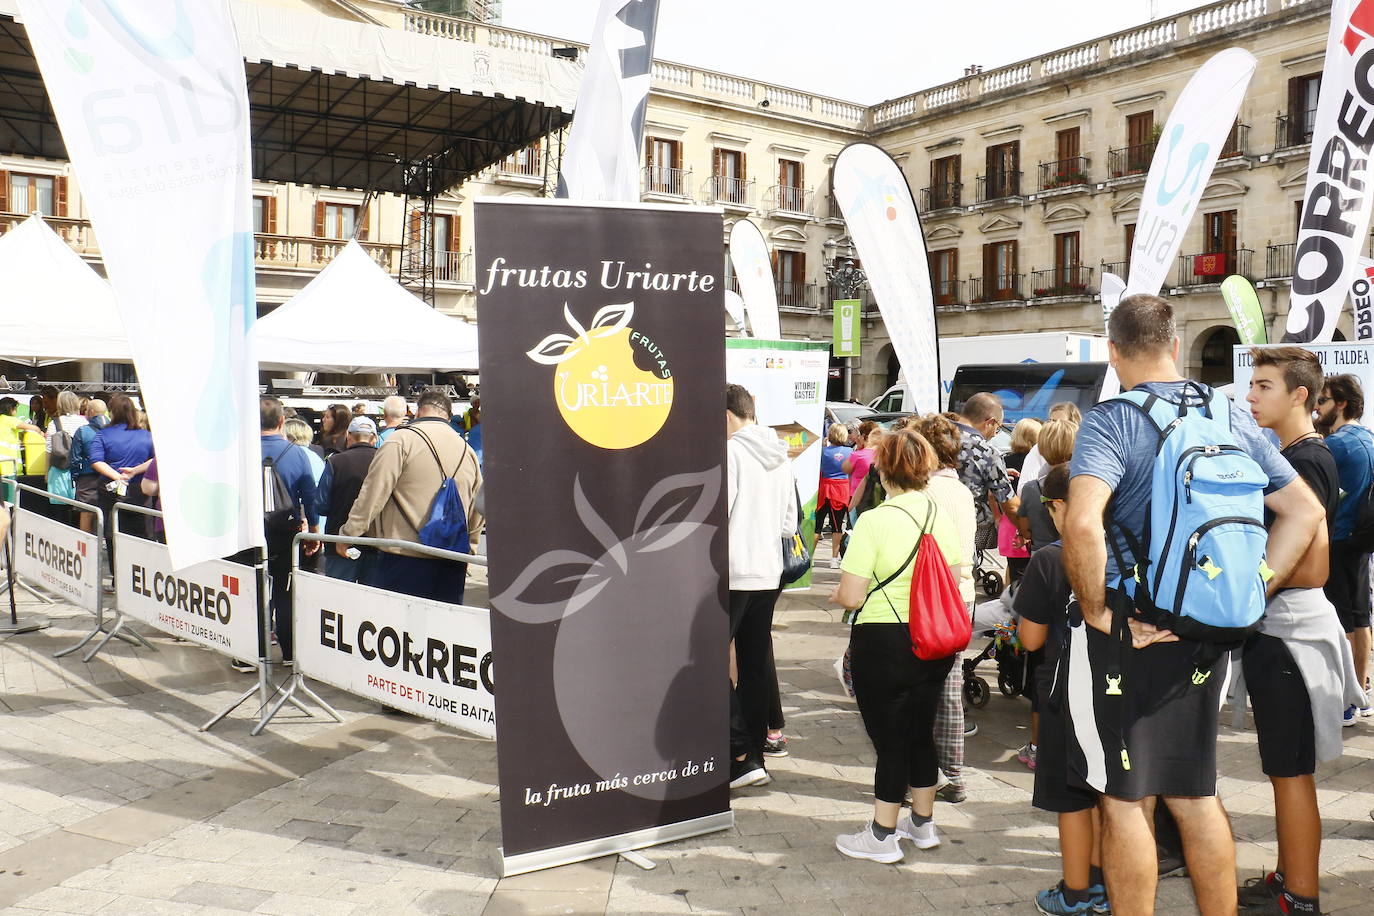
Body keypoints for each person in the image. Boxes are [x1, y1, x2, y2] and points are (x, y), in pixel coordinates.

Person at [1061, 294, 1321, 916]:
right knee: (1195, 793)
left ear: (1115, 351)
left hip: (1135, 633)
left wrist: (1098, 611)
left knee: (1126, 800)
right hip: (1208, 628)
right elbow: (1304, 511)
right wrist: (1254, 587)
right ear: (1175, 346)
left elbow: (1083, 524)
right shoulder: (1228, 413)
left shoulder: (1111, 420)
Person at [1240, 348, 1367, 916]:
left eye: (1264, 385)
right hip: (1282, 629)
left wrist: (1249, 592)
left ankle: (1300, 896)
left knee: (1290, 773)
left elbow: (1311, 563)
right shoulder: (1293, 453)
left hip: (1288, 630)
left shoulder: (1307, 459)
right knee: (1285, 770)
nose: (1250, 396)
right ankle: (1291, 876)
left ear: (1300, 396)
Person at [830, 428, 964, 862]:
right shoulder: (939, 515)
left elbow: (851, 595)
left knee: (890, 741)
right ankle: (922, 825)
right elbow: (956, 576)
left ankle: (882, 834)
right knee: (919, 731)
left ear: (883, 473)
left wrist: (837, 596)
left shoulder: (874, 521)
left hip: (884, 640)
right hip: (935, 639)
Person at [1015, 463, 1109, 916]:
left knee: (1072, 798)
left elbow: (1030, 639)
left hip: (1066, 694)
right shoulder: (1129, 550)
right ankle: (1103, 883)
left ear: (1056, 507)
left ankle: (1076, 894)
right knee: (1111, 795)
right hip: (1121, 693)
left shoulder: (1049, 559)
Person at [340, 389, 482, 602]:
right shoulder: (467, 450)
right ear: (449, 414)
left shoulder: (401, 441)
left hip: (403, 554)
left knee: (397, 627)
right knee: (441, 630)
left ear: (417, 411)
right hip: (452, 558)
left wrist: (349, 533)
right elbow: (478, 507)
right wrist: (470, 547)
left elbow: (373, 492)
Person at [723, 384, 796, 789]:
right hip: (768, 572)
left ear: (726, 415)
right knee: (753, 664)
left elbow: (719, 514)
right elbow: (789, 525)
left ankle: (740, 752)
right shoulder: (780, 455)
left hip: (732, 572)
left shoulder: (732, 452)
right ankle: (750, 759)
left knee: (704, 660)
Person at [912, 414, 977, 805]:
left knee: (918, 689)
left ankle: (921, 774)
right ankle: (953, 775)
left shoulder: (923, 494)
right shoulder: (963, 492)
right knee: (949, 690)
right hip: (962, 597)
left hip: (928, 599)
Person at [1314, 373, 1374, 722]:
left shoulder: (1336, 445)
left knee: (1343, 622)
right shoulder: (1367, 438)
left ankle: (1349, 699)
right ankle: (1361, 692)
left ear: (1342, 404)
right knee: (1359, 617)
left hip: (1339, 540)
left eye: (1323, 401)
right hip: (1361, 540)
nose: (1317, 408)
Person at [259, 396, 321, 667]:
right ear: (282, 421)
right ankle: (288, 651)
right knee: (285, 591)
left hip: (249, 532)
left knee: (250, 588)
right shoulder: (297, 453)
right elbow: (310, 498)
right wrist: (314, 532)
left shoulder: (239, 451)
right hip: (286, 531)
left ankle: (249, 654)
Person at [89, 394, 154, 571]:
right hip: (140, 491)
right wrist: (134, 471)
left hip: (110, 492)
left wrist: (117, 476)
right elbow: (157, 459)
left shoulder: (102, 434)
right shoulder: (146, 436)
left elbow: (96, 460)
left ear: (112, 412)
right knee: (143, 534)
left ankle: (116, 575)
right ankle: (142, 573)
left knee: (113, 534)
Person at [316, 416, 379, 583]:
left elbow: (321, 505)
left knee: (339, 602)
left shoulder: (335, 462)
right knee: (374, 601)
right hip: (377, 543)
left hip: (339, 541)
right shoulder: (383, 462)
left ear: (349, 436)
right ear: (374, 438)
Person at [1016, 419, 1079, 554]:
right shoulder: (1083, 485)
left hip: (1040, 557)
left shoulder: (1030, 488)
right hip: (1077, 555)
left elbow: (1025, 529)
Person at [1001, 417, 1040, 585]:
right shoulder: (1039, 460)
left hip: (1010, 519)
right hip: (1033, 520)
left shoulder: (1004, 460)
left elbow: (993, 494)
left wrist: (997, 517)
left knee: (1016, 572)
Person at [69, 399, 108, 534]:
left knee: (86, 513)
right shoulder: (113, 429)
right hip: (110, 476)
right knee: (108, 512)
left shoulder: (83, 431)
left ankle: (85, 550)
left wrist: (74, 476)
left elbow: (75, 458)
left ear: (91, 412)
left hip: (87, 477)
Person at [44, 391, 85, 520]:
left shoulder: (53, 423)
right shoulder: (83, 423)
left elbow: (49, 450)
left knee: (59, 512)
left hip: (58, 470)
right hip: (79, 470)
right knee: (78, 510)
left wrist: (46, 472)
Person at [818, 423, 854, 568]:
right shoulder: (850, 451)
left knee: (818, 526)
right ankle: (834, 559)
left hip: (825, 488)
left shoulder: (822, 451)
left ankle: (809, 558)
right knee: (837, 526)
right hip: (841, 489)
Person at [1021, 402, 1083, 485]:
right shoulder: (1039, 448)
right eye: (1051, 421)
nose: (1054, 426)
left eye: (1060, 422)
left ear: (1074, 424)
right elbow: (1024, 486)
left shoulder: (1085, 449)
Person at [0, 396, 43, 481]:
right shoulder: (9, 419)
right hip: (9, 466)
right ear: (11, 409)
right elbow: (34, 428)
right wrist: (42, 433)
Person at [843, 420, 878, 521]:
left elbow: (845, 468)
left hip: (857, 498)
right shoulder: (881, 453)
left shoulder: (858, 455)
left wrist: (858, 448)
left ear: (863, 436)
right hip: (875, 496)